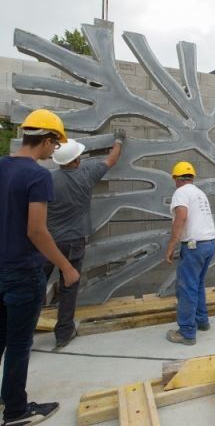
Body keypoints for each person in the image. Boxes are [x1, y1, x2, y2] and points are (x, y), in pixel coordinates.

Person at [0, 109, 80, 426]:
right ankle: (16, 411)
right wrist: (66, 267)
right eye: (55, 145)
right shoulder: (37, 176)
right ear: (46, 140)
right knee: (20, 344)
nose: (54, 152)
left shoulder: (1, 166)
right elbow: (36, 231)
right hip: (23, 272)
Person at [42, 132, 125, 348]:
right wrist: (119, 140)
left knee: (37, 285)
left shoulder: (47, 179)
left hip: (48, 242)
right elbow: (112, 159)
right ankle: (63, 334)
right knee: (69, 287)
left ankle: (22, 330)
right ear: (77, 160)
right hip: (73, 242)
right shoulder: (86, 174)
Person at [164, 161, 215, 345]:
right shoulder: (199, 193)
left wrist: (171, 246)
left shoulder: (181, 192)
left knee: (187, 287)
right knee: (197, 284)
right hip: (209, 244)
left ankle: (186, 332)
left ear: (177, 179)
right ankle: (202, 321)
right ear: (192, 177)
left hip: (194, 247)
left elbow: (182, 217)